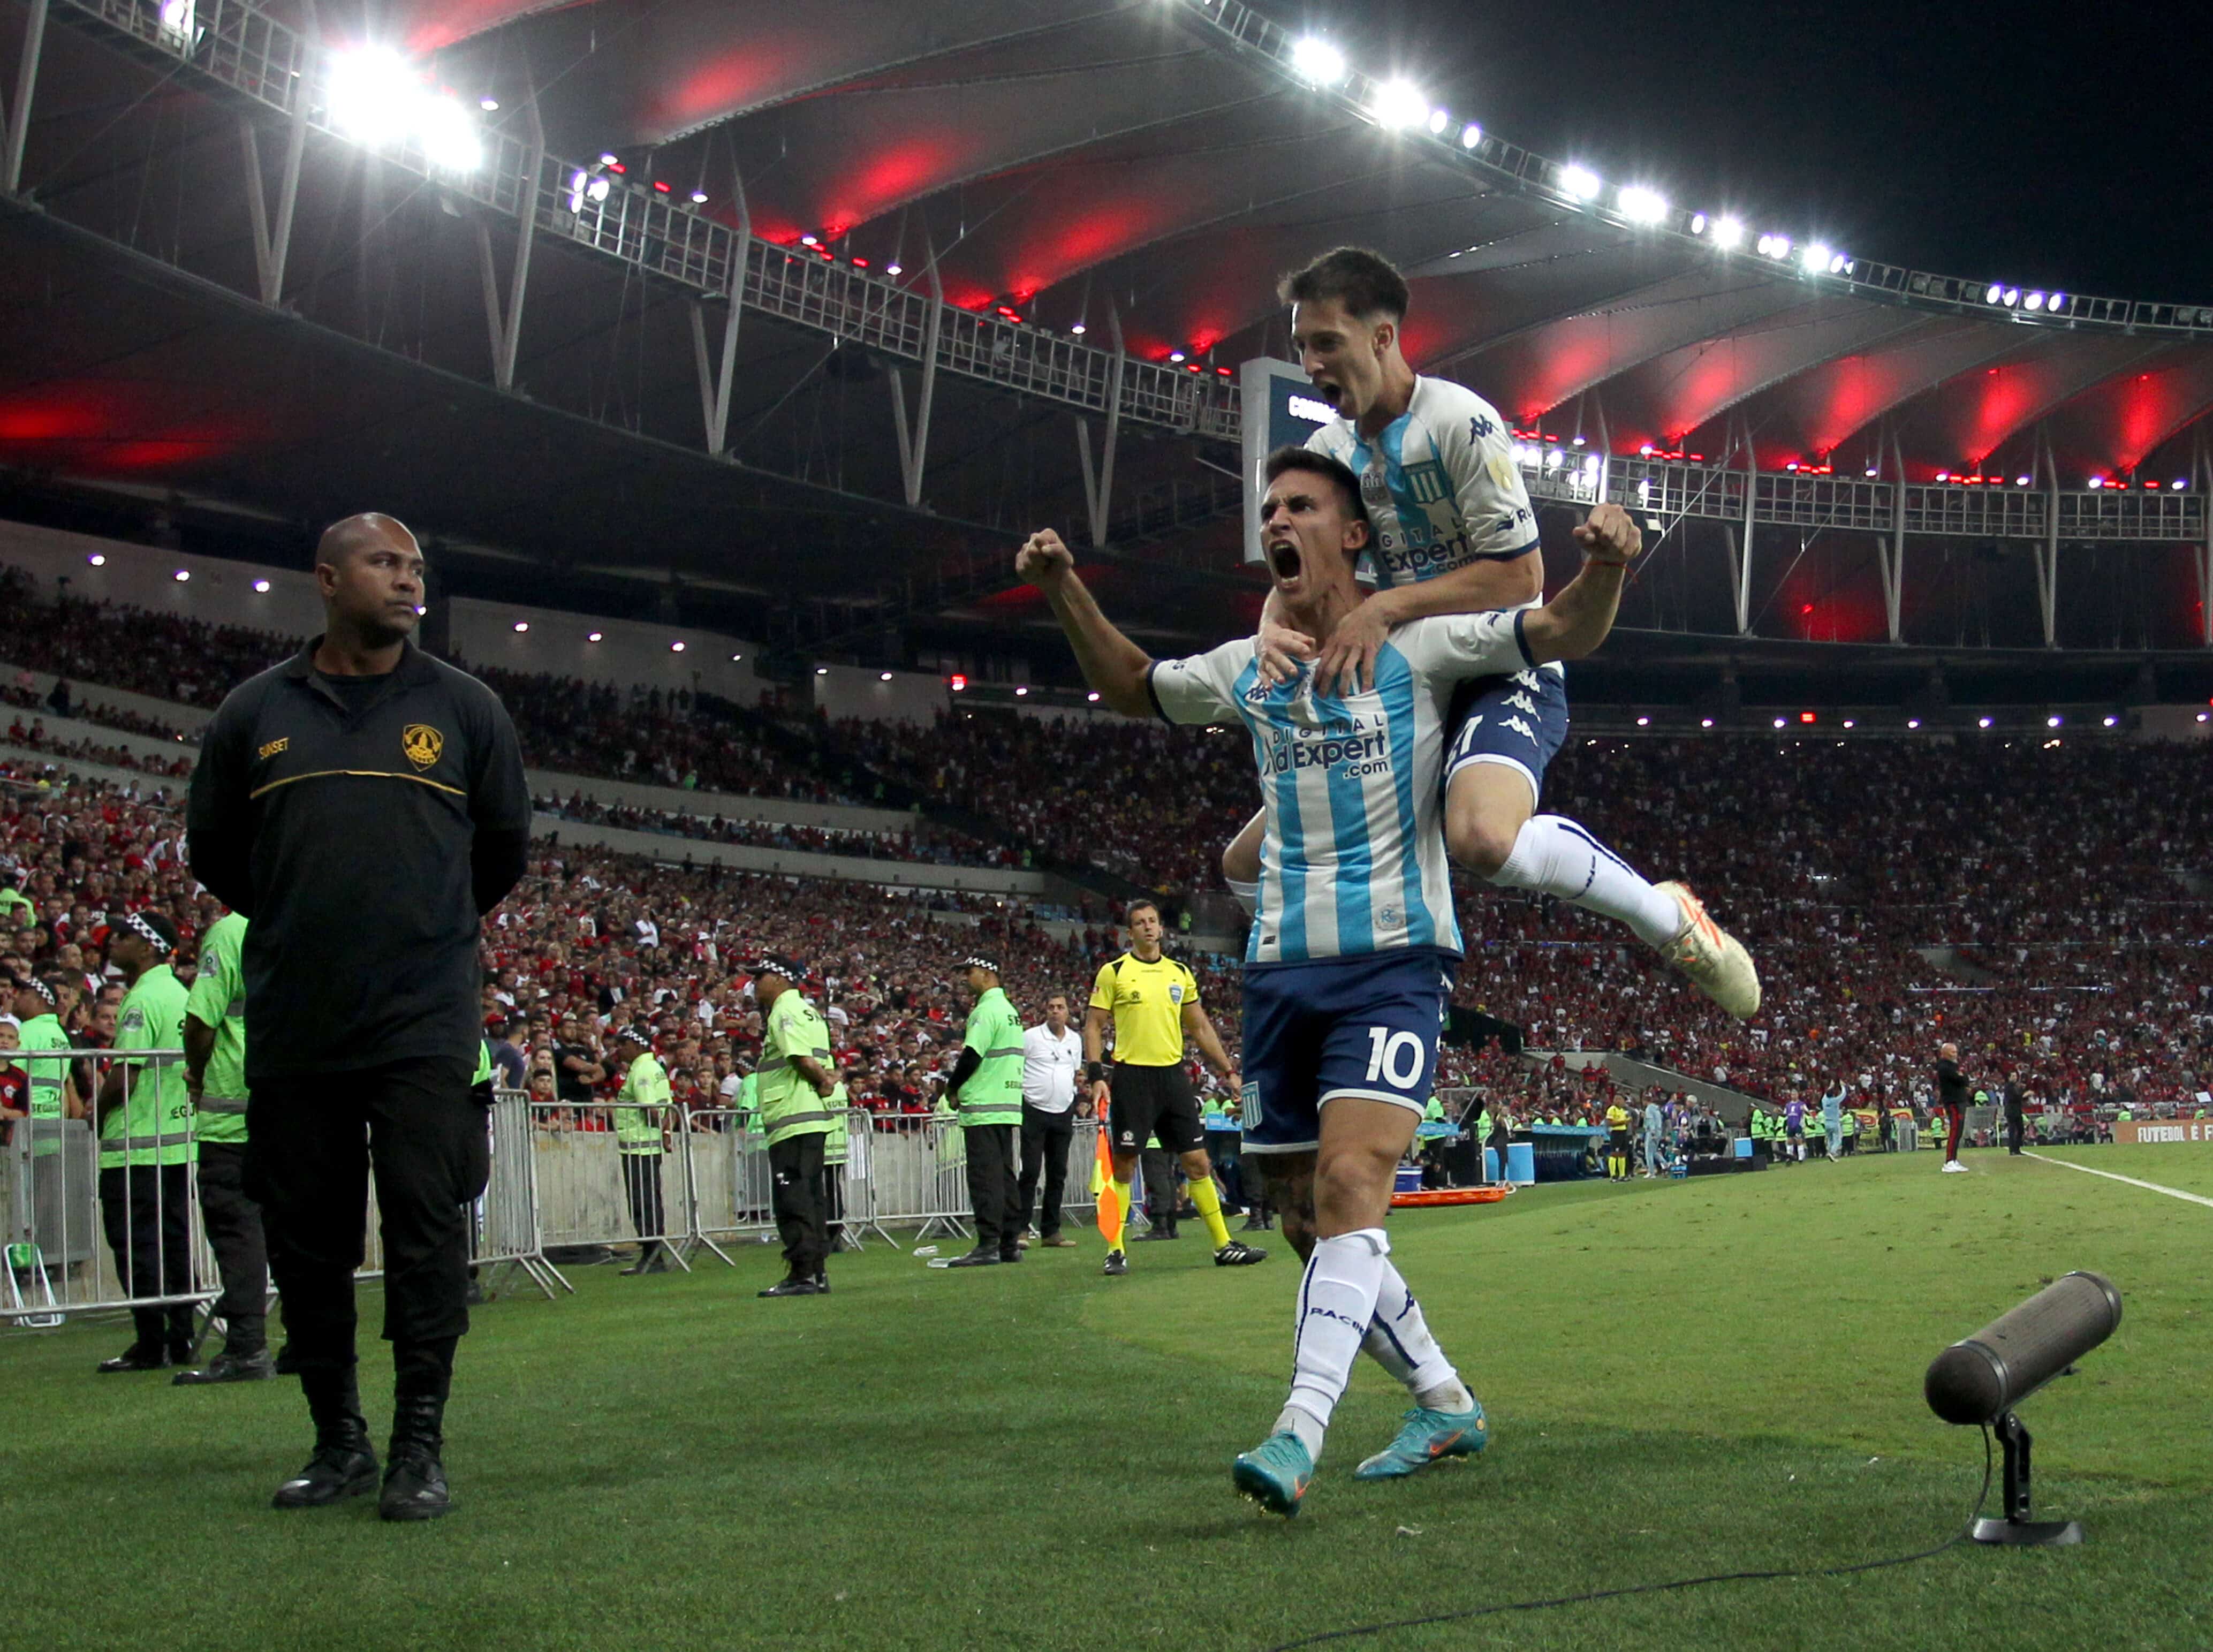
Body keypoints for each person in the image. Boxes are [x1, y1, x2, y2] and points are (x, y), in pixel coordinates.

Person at [1016, 438, 1642, 1515]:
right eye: (1267, 510)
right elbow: (1129, 686)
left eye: (1300, 504)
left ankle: (1298, 1428)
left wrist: (1611, 564)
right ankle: (1443, 1397)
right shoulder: (1246, 667)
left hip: (1395, 961)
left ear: (1354, 532)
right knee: (1302, 1212)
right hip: (1281, 976)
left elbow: (1558, 630)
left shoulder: (1426, 646)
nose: (1276, 522)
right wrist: (1065, 587)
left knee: (1355, 1187)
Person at [1218, 246, 1757, 1024]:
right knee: (1244, 862)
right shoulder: (1328, 455)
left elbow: (1517, 576)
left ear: (1381, 336)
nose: (1310, 362)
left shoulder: (1459, 422)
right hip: (1399, 683)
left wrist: (1387, 607)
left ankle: (1666, 916)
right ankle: (1321, 994)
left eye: (1326, 342)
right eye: (1301, 345)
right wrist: (1271, 627)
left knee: (1478, 835)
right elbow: (1293, 579)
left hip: (1498, 661)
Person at [185, 512, 531, 1520]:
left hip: (424, 1018)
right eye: (385, 563)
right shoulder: (253, 712)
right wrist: (306, 921)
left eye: (417, 566)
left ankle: (419, 1443)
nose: (407, 579)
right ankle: (337, 1437)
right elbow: (216, 852)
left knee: (426, 1230)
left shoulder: (465, 708)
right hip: (298, 1019)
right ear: (328, 579)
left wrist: (418, 928)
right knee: (309, 1238)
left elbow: (500, 852)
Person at [1085, 899, 1263, 1276]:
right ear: (1129, 932)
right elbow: (1095, 1025)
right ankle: (1115, 1250)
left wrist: (1229, 1070)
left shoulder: (1179, 973)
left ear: (1162, 928)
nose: (1148, 927)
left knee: (1198, 1162)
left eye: (1153, 921)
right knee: (1124, 1166)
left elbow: (1199, 1027)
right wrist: (1097, 1075)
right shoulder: (1114, 972)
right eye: (1140, 923)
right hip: (1132, 1076)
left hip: (1172, 1076)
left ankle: (1223, 1245)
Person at [93, 912, 196, 1373]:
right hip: (175, 1143)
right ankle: (182, 1337)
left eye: (126, 935)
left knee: (136, 1245)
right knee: (173, 1241)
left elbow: (125, 1076)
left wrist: (95, 1111)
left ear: (149, 946)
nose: (113, 941)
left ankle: (151, 1343)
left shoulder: (142, 1000)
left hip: (135, 1144)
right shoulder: (179, 994)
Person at [176, 908, 274, 1383]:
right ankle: (307, 1343)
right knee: (293, 1230)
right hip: (295, 1105)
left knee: (237, 1230)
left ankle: (247, 1347)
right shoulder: (304, 914)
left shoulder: (232, 931)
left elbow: (200, 1022)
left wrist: (197, 1072)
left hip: (235, 1113)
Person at [750, 957, 842, 1297]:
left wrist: (822, 1082)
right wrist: (826, 1080)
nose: (755, 985)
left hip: (791, 1117)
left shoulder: (783, 1012)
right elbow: (828, 1066)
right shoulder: (811, 1013)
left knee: (793, 1198)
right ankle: (816, 1272)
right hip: (810, 1119)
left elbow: (801, 1059)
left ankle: (802, 1273)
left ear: (778, 978)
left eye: (760, 977)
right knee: (813, 1199)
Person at [942, 956, 1026, 1267]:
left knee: (984, 1176)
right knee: (1005, 1175)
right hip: (1006, 1103)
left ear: (988, 974)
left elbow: (972, 1056)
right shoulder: (1010, 1011)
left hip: (984, 1105)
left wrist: (952, 1088)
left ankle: (988, 1243)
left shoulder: (985, 1011)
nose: (966, 978)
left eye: (970, 972)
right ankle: (1009, 1244)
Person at [1017, 991, 1082, 1248]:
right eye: (1052, 1007)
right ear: (1046, 1012)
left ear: (1068, 1012)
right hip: (1034, 1108)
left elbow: (1074, 1070)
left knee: (1058, 1172)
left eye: (1061, 1007)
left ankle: (1051, 1231)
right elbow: (1017, 1065)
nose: (1056, 1011)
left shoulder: (1075, 1041)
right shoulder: (1030, 1037)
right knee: (1031, 1171)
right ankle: (1021, 1229)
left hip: (1063, 1109)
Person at [613, 1027, 674, 1276]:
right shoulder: (656, 1068)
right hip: (648, 1147)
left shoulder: (641, 1071)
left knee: (642, 1203)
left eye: (624, 1044)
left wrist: (657, 1127)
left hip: (639, 1148)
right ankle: (653, 1255)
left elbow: (651, 1108)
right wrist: (665, 1133)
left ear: (637, 1045)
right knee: (651, 1200)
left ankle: (652, 1257)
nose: (620, 1049)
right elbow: (668, 1106)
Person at [1934, 1043, 1969, 1172]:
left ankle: (1953, 1159)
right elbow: (1961, 1080)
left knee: (1958, 1132)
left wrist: (1962, 1077)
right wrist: (1962, 1076)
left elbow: (1964, 1079)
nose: (1956, 1054)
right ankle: (1949, 1161)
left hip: (1959, 1101)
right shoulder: (1944, 1067)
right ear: (1945, 1053)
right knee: (1955, 1132)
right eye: (1953, 1052)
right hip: (1954, 1102)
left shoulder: (1952, 1066)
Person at [2001, 1069, 2028, 1156]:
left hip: (2017, 1111)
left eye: (2016, 1076)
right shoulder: (2008, 1087)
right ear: (2009, 1078)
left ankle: (2017, 1148)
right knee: (2012, 1130)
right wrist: (2024, 1095)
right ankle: (2012, 1149)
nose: (2015, 1078)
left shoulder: (2016, 1087)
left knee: (2021, 1129)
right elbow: (2014, 1098)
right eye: (2013, 1076)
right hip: (2011, 1111)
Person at [1603, 1095, 1630, 1181]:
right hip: (1616, 1133)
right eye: (1617, 1099)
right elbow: (1610, 1123)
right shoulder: (1612, 1110)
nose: (1619, 1101)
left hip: (1623, 1132)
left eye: (1620, 1099)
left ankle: (1622, 1175)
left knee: (1623, 1153)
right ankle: (1613, 1175)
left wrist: (1627, 1122)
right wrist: (1623, 1122)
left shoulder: (1623, 1111)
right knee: (1614, 1153)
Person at [1820, 1078, 1846, 1163]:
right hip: (1835, 1123)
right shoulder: (1835, 1101)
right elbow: (1843, 1095)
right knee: (1838, 1139)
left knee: (1830, 1139)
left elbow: (1825, 1094)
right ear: (1834, 1095)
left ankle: (1830, 1153)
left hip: (1827, 1123)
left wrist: (1831, 1086)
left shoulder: (1824, 1101)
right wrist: (1842, 1086)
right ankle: (1832, 1152)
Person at [1641, 1093, 1664, 1178]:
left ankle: (1651, 1172)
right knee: (1654, 1152)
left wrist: (1653, 1132)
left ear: (1645, 1101)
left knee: (1649, 1153)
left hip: (1651, 1132)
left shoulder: (1649, 1109)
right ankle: (1665, 1164)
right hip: (1659, 1131)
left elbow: (1651, 1121)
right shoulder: (1657, 1109)